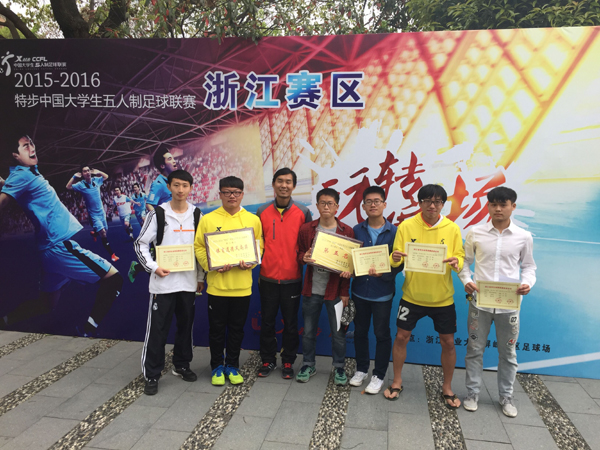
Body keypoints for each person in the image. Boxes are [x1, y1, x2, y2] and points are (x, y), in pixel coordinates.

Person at [0, 131, 123, 336]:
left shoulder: (26, 174)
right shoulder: (22, 175)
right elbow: (3, 202)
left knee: (46, 304)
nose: (32, 147)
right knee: (114, 280)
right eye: (25, 146)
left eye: (31, 143)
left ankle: (4, 321)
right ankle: (86, 332)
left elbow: (19, 186)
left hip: (48, 251)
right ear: (15, 155)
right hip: (59, 246)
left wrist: (4, 183)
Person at [385, 184, 464, 408]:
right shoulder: (406, 226)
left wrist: (457, 262)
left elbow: (459, 257)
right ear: (419, 203)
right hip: (412, 296)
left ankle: (447, 387)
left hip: (443, 298)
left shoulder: (452, 228)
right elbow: (395, 258)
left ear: (443, 204)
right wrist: (394, 258)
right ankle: (397, 381)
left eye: (437, 201)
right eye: (427, 201)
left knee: (448, 343)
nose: (432, 205)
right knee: (401, 337)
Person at [459, 187, 536, 417]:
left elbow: (529, 266)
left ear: (513, 206)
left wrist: (527, 283)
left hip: (509, 306)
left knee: (508, 352)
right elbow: (465, 262)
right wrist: (466, 280)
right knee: (474, 349)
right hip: (479, 304)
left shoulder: (523, 236)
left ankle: (506, 396)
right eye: (493, 204)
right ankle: (472, 393)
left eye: (503, 204)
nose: (498, 209)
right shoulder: (476, 232)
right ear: (488, 206)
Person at [135, 169, 205, 395]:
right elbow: (140, 244)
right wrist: (154, 267)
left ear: (190, 188)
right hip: (163, 284)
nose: (180, 190)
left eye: (185, 186)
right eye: (176, 185)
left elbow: (200, 249)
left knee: (185, 328)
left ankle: (181, 365)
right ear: (169, 187)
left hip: (188, 283)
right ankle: (152, 374)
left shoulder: (197, 214)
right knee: (157, 330)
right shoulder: (158, 213)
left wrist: (200, 277)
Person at [195, 176, 263, 386]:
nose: (231, 196)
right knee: (216, 331)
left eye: (236, 192)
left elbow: (259, 246)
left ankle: (232, 365)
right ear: (220, 194)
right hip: (217, 287)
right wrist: (211, 265)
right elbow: (199, 247)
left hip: (242, 287)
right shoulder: (208, 219)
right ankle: (217, 367)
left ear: (242, 194)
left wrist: (250, 263)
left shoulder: (253, 220)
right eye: (227, 192)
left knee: (236, 330)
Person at [255, 168, 312, 379]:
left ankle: (288, 360)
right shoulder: (262, 211)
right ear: (273, 184)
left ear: (294, 186)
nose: (284, 185)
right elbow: (255, 243)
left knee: (290, 323)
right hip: (267, 278)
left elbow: (308, 244)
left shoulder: (303, 212)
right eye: (280, 181)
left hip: (292, 278)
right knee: (267, 321)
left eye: (288, 182)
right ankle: (267, 359)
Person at [296, 188, 354, 386]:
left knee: (338, 333)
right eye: (322, 203)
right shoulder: (307, 229)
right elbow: (299, 253)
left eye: (330, 203)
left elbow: (349, 265)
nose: (326, 207)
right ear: (317, 205)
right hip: (311, 289)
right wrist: (303, 258)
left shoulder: (346, 231)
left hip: (336, 292)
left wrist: (345, 291)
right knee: (308, 331)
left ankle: (339, 367)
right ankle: (308, 364)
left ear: (337, 207)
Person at [349, 186, 402, 394]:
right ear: (363, 206)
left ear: (384, 204)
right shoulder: (356, 230)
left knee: (382, 334)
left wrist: (384, 274)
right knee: (360, 332)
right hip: (359, 291)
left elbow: (400, 264)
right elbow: (350, 258)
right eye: (369, 202)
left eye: (377, 201)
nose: (373, 205)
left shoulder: (395, 232)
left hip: (382, 293)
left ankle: (379, 374)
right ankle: (361, 369)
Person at [129, 145, 178, 282]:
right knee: (161, 261)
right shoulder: (158, 184)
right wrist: (162, 221)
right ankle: (137, 267)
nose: (174, 161)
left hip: (176, 224)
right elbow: (149, 204)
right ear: (162, 165)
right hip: (165, 227)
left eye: (173, 158)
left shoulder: (174, 180)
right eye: (169, 159)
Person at [66, 165, 118, 262]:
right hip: (94, 214)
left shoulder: (96, 180)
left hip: (101, 212)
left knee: (105, 231)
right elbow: (68, 187)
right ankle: (112, 254)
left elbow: (106, 176)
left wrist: (98, 171)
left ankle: (95, 234)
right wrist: (74, 177)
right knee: (103, 232)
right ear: (82, 174)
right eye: (85, 171)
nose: (87, 172)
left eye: (88, 170)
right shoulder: (80, 185)